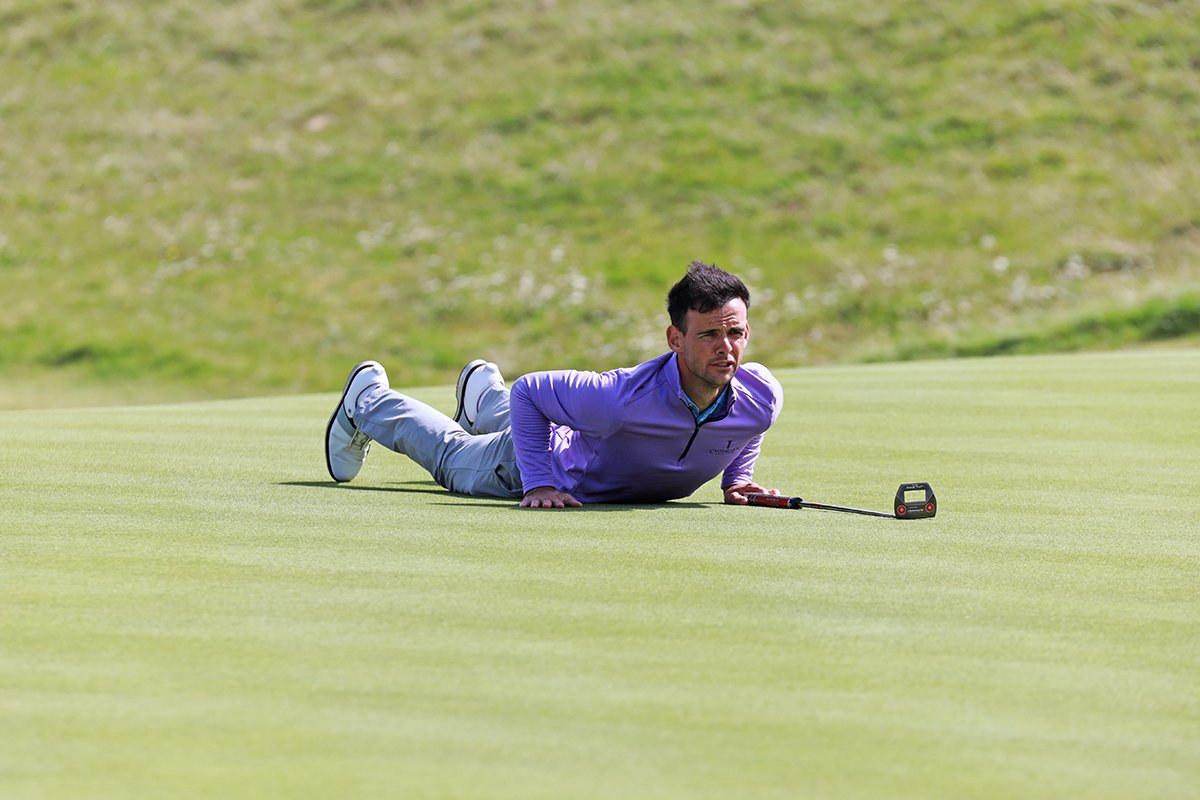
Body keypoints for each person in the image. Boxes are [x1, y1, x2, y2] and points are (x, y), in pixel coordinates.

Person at [324, 261, 783, 508]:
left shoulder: (761, 396)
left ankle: (484, 398)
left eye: (736, 332)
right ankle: (368, 400)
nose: (726, 347)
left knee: (521, 415)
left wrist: (737, 480)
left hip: (568, 437)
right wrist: (539, 483)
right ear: (675, 339)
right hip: (526, 468)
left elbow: (748, 425)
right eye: (709, 334)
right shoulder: (617, 399)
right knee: (449, 458)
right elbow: (531, 391)